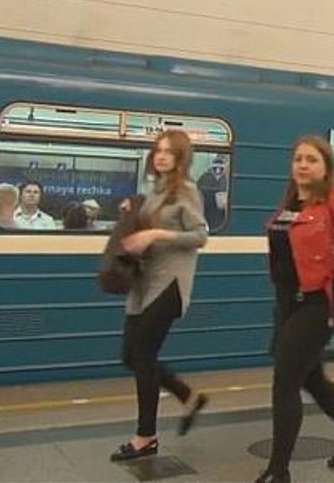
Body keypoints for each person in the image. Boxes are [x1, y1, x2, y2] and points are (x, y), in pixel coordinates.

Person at [256, 135, 334, 483]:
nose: (303, 165)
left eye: (312, 160)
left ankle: (278, 470)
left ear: (327, 167)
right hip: (286, 302)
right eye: (298, 159)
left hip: (317, 302)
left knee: (285, 381)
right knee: (311, 377)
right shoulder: (291, 202)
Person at [110, 129, 210, 462]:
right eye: (158, 150)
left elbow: (200, 236)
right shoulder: (153, 192)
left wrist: (156, 233)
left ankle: (145, 436)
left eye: (169, 151)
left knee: (142, 354)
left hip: (170, 283)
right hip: (143, 282)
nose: (162, 156)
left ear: (181, 158)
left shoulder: (187, 191)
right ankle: (187, 396)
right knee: (130, 355)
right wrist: (131, 214)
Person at [196, 155, 229, 230]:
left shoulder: (227, 179)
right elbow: (197, 192)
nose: (218, 171)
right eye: (215, 168)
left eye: (220, 168)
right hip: (207, 209)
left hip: (221, 212)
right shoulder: (205, 177)